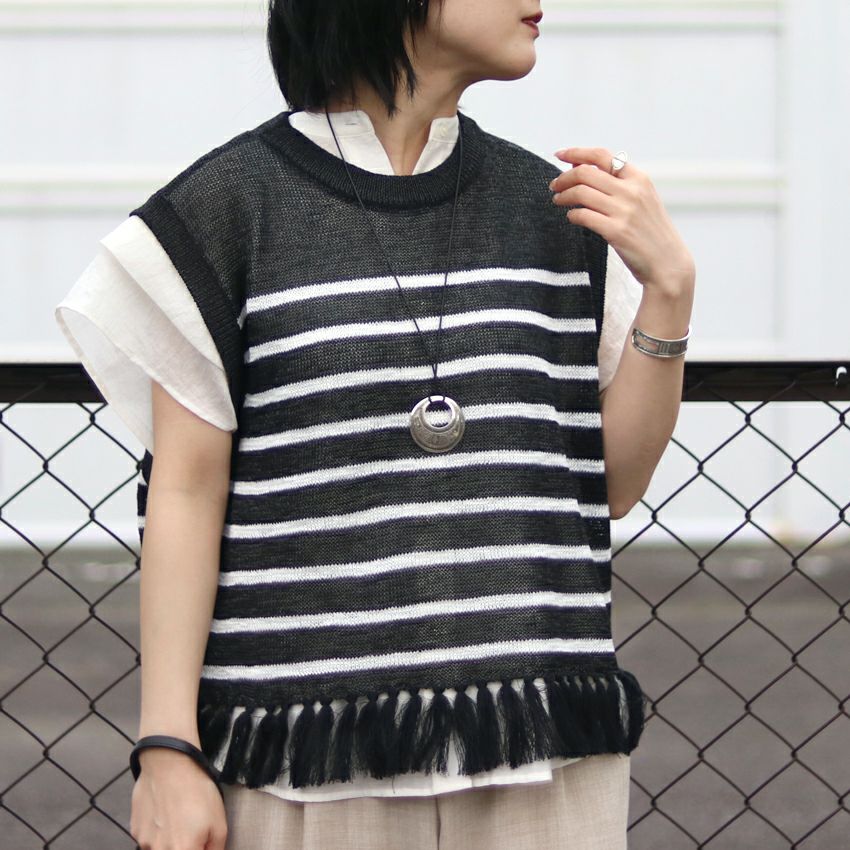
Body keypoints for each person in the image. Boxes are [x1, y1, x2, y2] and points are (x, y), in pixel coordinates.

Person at [54, 1, 696, 848]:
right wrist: (167, 748)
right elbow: (184, 491)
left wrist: (670, 290)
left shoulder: (556, 212)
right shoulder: (225, 212)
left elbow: (609, 484)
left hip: (542, 752)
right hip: (304, 762)